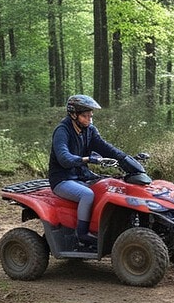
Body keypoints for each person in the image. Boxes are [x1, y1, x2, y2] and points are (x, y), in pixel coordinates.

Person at [48, 95, 127, 247]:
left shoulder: (89, 130)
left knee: (108, 187)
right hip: (62, 179)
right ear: (73, 114)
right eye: (85, 116)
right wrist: (87, 159)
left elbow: (105, 147)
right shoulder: (62, 131)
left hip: (81, 176)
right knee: (87, 194)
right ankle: (82, 234)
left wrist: (126, 158)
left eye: (91, 116)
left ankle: (104, 230)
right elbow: (64, 159)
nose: (89, 119)